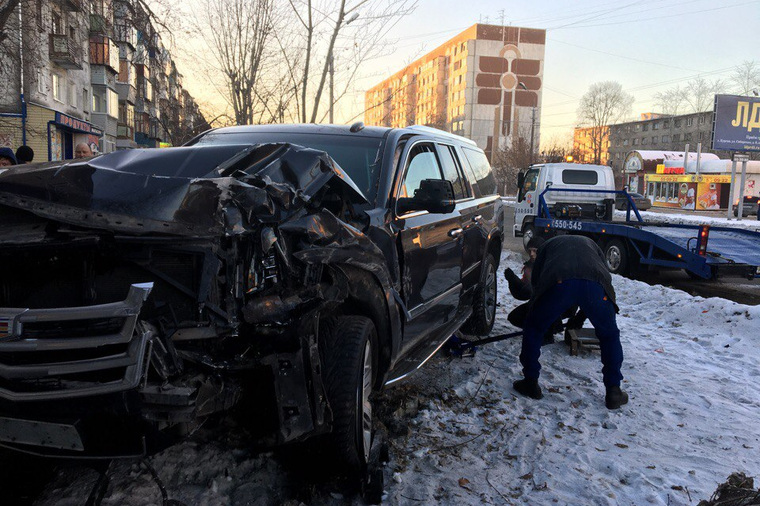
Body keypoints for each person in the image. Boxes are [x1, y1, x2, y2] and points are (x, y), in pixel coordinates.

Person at [512, 235, 628, 410]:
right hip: (595, 285)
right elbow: (604, 276)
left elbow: (537, 281)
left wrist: (540, 311)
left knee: (534, 329)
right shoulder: (591, 243)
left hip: (559, 282)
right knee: (609, 335)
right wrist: (582, 314)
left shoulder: (547, 246)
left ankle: (530, 382)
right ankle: (614, 391)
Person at [505, 236, 585, 344]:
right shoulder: (530, 267)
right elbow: (524, 292)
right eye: (530, 251)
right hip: (542, 301)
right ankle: (540, 327)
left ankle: (546, 331)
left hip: (562, 303)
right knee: (516, 317)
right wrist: (513, 280)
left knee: (545, 306)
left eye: (535, 251)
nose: (532, 254)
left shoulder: (552, 265)